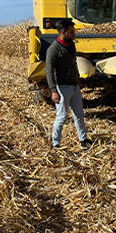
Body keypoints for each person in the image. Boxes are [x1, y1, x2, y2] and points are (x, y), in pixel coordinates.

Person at [45, 19, 92, 149]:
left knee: (79, 115)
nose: (74, 34)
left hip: (74, 87)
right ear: (63, 32)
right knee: (62, 117)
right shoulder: (53, 49)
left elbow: (74, 63)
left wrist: (77, 80)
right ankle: (56, 143)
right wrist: (53, 90)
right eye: (71, 32)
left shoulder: (71, 45)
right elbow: (49, 70)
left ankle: (83, 140)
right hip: (62, 88)